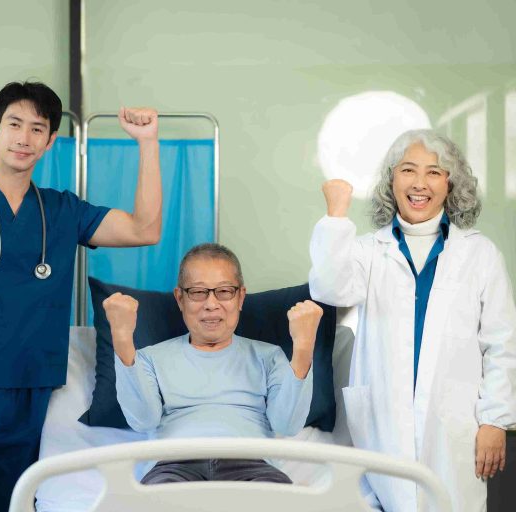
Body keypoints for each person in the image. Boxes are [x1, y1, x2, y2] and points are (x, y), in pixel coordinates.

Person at [0, 81, 162, 510]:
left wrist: (147, 143)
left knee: (15, 506)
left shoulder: (63, 210)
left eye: (37, 129)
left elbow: (144, 229)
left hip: (30, 392)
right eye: (14, 124)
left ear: (50, 141)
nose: (24, 138)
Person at [309, 130, 516, 511]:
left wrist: (494, 420)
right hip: (383, 420)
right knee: (386, 499)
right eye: (408, 170)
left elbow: (502, 345)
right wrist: (336, 215)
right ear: (392, 180)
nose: (420, 183)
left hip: (454, 421)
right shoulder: (369, 251)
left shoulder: (480, 254)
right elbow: (329, 287)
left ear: (450, 183)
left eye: (434, 172)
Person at [104, 243, 322, 484]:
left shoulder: (268, 356)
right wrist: (123, 340)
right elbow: (143, 420)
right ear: (180, 298)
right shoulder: (149, 358)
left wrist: (303, 348)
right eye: (198, 292)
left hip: (252, 463)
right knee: (154, 499)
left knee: (279, 498)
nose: (211, 304)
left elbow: (287, 425)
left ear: (240, 297)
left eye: (224, 291)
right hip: (174, 463)